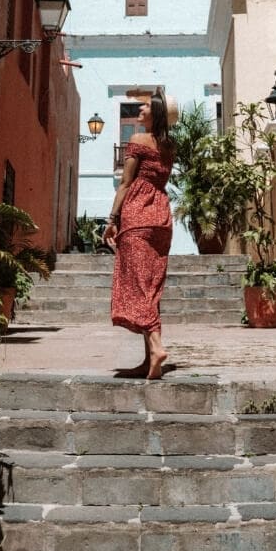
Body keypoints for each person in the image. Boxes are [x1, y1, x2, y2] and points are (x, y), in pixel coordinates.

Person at [103, 92, 177, 379]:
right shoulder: (169, 146)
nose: (140, 108)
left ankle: (157, 347)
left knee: (137, 284)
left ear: (155, 113)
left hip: (138, 215)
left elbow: (125, 183)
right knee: (151, 286)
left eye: (146, 105)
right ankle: (150, 362)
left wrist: (112, 219)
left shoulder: (137, 141)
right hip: (161, 216)